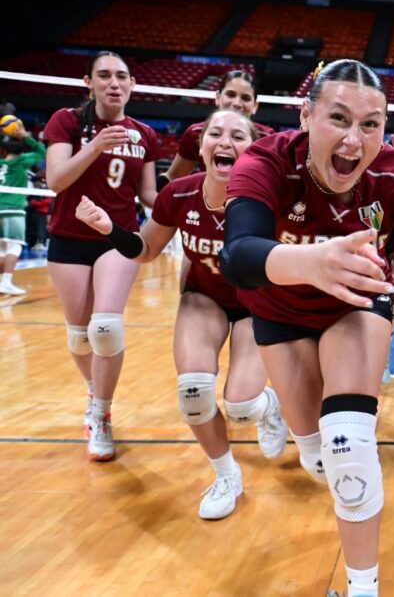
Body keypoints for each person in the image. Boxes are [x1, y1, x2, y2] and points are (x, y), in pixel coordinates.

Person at [219, 59, 394, 597]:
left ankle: (362, 588)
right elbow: (236, 256)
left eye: (370, 124)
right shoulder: (265, 160)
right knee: (317, 459)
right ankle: (280, 411)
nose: (355, 139)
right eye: (339, 118)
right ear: (306, 117)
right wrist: (310, 262)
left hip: (355, 306)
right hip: (278, 309)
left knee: (348, 444)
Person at [75, 109, 287, 519]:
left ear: (253, 149)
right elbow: (146, 250)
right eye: (215, 133)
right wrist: (108, 229)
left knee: (242, 406)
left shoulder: (274, 195)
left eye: (237, 136)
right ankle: (227, 476)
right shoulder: (178, 194)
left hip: (257, 301)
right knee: (193, 394)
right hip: (203, 298)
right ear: (201, 146)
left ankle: (268, 408)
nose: (225, 142)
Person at [42, 51, 159, 462]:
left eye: (122, 76)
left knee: (106, 327)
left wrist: (189, 202)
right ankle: (95, 392)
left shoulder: (145, 134)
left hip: (117, 237)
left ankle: (102, 413)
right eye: (104, 75)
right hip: (69, 238)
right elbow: (56, 180)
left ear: (132, 85)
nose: (114, 83)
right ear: (88, 82)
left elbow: (149, 194)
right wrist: (95, 145)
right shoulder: (67, 121)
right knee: (79, 334)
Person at [159, 70, 273, 186]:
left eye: (245, 98)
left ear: (255, 106)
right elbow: (173, 177)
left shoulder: (268, 139)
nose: (237, 103)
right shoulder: (196, 133)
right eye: (231, 95)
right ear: (218, 98)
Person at [0, 118, 46, 295]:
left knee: (2, 249)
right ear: (22, 153)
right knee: (14, 246)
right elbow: (42, 152)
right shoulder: (22, 161)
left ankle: (1, 282)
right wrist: (26, 136)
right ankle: (6, 282)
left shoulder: (1, 163)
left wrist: (3, 134)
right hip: (13, 208)